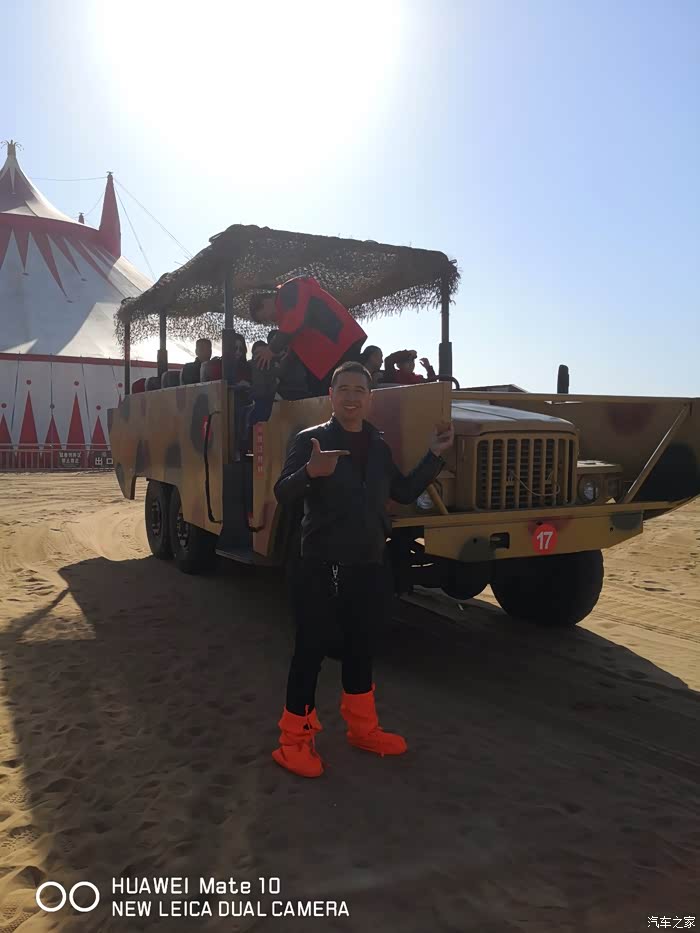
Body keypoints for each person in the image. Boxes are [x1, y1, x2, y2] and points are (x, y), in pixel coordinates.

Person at [271, 360, 454, 778]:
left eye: (360, 390)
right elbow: (283, 493)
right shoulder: (311, 440)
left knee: (362, 646)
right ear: (331, 396)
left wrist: (434, 456)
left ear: (370, 398)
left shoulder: (377, 445)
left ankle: (362, 729)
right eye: (344, 389)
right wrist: (310, 472)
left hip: (368, 562)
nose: (352, 397)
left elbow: (402, 491)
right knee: (310, 650)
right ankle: (293, 741)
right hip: (320, 564)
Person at [250, 276, 367, 397]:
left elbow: (295, 318)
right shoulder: (286, 318)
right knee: (324, 392)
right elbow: (295, 343)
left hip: (340, 343)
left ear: (265, 301)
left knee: (345, 389)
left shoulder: (288, 291)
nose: (270, 320)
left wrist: (271, 349)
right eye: (266, 321)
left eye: (266, 317)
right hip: (330, 355)